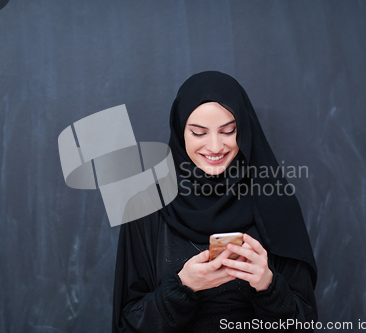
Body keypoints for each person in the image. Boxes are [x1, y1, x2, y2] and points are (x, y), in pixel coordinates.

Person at [112, 71, 318, 332]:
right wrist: (183, 287)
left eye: (228, 131)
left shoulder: (275, 203)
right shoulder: (145, 208)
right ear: (179, 132)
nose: (215, 146)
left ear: (243, 130)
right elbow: (128, 325)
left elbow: (304, 325)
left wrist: (268, 285)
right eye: (199, 132)